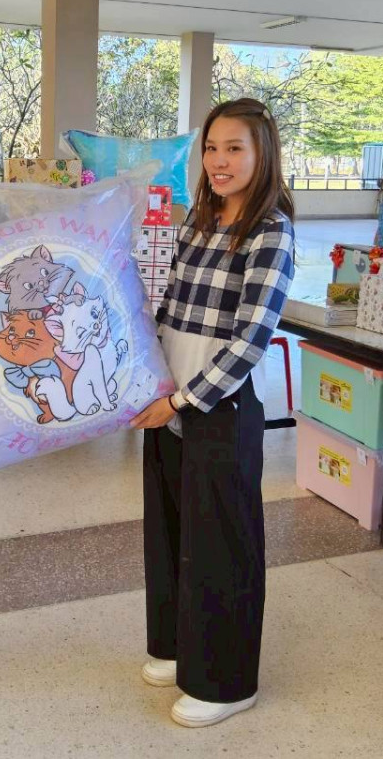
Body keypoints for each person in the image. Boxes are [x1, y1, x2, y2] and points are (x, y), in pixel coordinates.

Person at [132, 97, 295, 728]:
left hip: (219, 406)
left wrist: (181, 400)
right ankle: (177, 647)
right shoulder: (198, 220)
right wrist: (141, 380)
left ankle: (227, 682)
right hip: (169, 399)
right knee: (172, 531)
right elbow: (169, 309)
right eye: (211, 148)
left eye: (234, 148)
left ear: (262, 154)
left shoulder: (270, 230)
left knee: (222, 542)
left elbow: (251, 340)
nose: (219, 161)